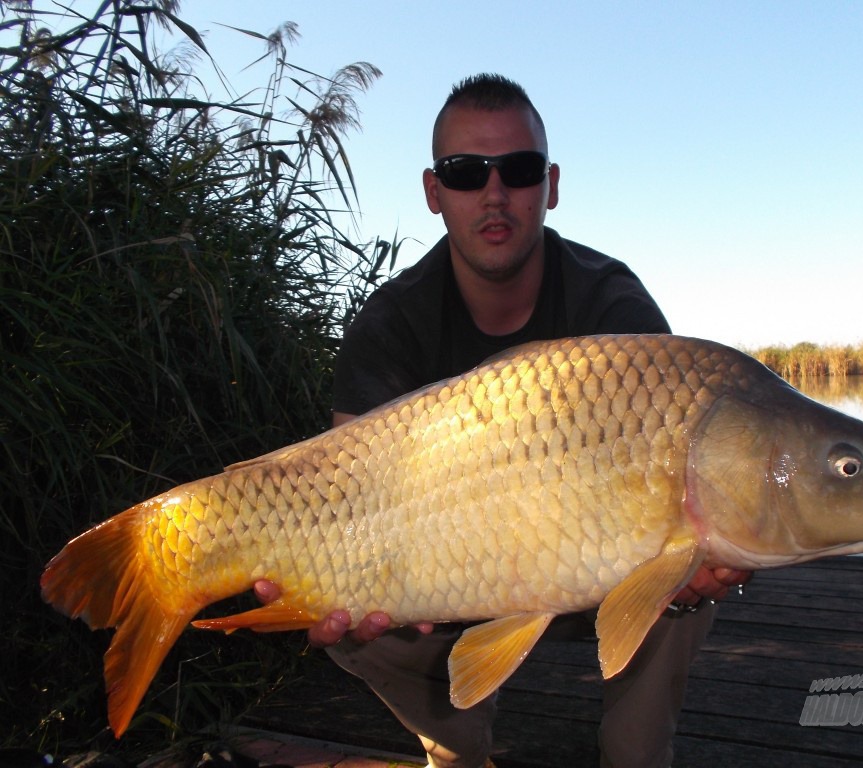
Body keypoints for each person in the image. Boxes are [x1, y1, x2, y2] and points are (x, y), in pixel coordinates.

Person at [256, 73, 749, 768]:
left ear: (549, 185)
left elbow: (693, 455)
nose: (493, 193)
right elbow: (343, 490)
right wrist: (335, 582)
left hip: (605, 563)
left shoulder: (611, 304)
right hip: (448, 565)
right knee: (352, 614)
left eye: (516, 170)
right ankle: (455, 747)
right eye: (465, 172)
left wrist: (714, 557)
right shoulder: (393, 321)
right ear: (435, 193)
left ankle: (634, 752)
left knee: (684, 558)